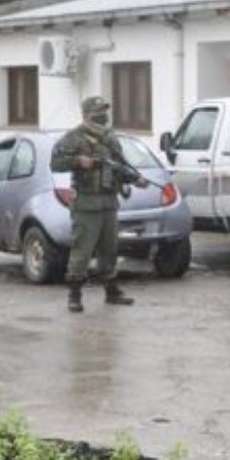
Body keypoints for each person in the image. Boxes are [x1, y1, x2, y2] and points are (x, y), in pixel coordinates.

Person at [50, 96, 137, 313]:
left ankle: (112, 291)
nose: (103, 116)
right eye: (98, 112)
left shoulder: (110, 138)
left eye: (105, 111)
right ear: (87, 114)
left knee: (110, 249)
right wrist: (78, 161)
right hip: (86, 203)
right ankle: (75, 295)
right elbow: (55, 164)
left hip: (109, 201)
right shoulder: (73, 138)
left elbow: (119, 166)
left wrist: (135, 179)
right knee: (82, 250)